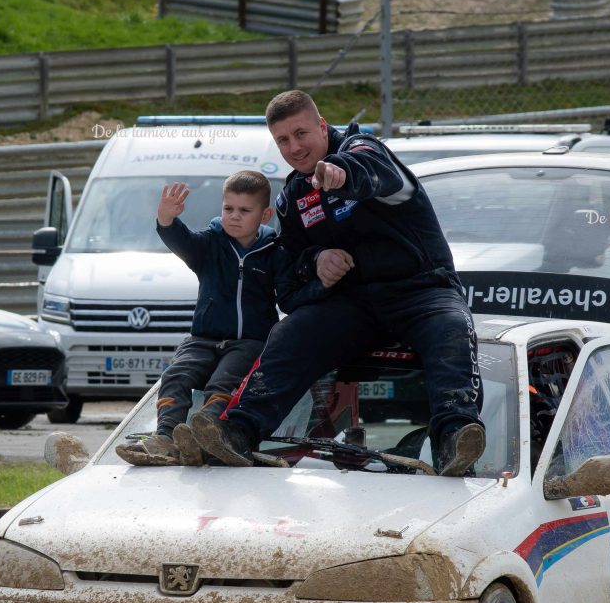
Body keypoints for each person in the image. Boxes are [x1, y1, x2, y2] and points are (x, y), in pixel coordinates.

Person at [181, 89, 485, 476]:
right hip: (352, 305)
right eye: (283, 140)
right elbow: (288, 262)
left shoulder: (365, 150)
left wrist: (342, 173)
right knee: (292, 331)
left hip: (422, 291)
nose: (294, 147)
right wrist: (315, 260)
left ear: (323, 126)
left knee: (452, 327)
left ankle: (455, 439)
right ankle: (237, 432)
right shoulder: (293, 196)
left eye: (301, 133)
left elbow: (373, 172)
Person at [116, 170, 322, 467]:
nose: (234, 216)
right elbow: (181, 240)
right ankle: (166, 437)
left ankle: (208, 433)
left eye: (244, 210)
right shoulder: (209, 245)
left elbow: (289, 297)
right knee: (175, 374)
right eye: (228, 209)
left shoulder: (274, 253)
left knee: (223, 382)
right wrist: (166, 220)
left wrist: (320, 285)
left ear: (264, 215)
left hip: (249, 343)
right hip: (203, 338)